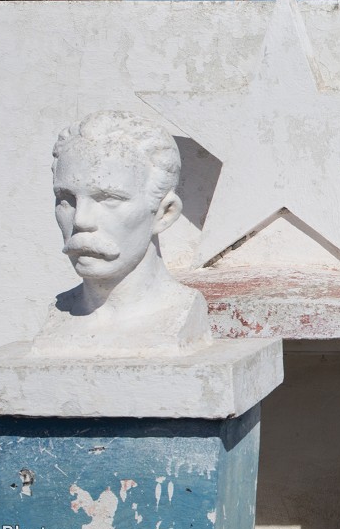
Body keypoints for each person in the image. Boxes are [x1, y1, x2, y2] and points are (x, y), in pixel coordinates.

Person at [32, 110, 211, 356]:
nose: (81, 220)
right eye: (66, 199)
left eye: (109, 198)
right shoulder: (59, 315)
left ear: (164, 214)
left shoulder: (180, 314)